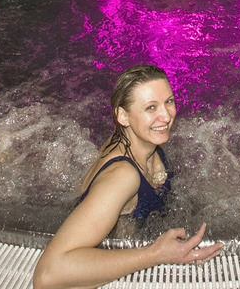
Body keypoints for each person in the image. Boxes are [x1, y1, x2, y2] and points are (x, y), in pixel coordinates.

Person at [32, 65, 223, 289]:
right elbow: (47, 275)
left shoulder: (137, 140)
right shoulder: (123, 176)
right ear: (123, 116)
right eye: (151, 107)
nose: (166, 116)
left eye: (169, 101)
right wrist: (155, 254)